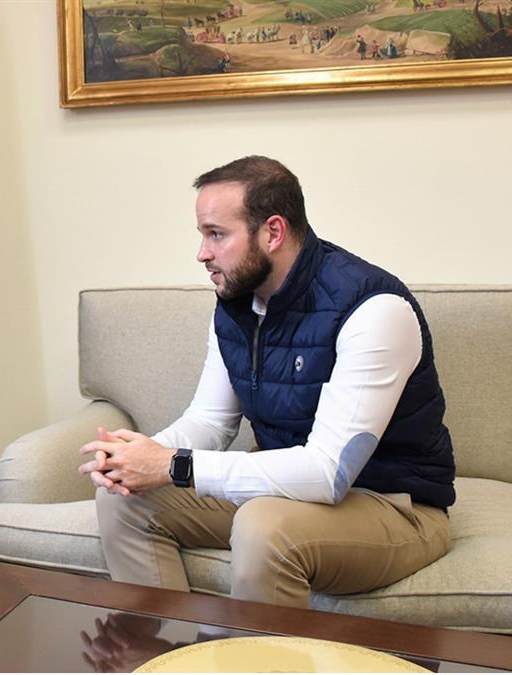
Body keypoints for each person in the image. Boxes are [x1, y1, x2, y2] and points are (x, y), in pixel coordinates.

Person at [79, 156, 454, 610]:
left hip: (392, 505)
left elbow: (327, 474)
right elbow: (210, 421)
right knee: (125, 502)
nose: (202, 253)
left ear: (272, 232)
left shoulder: (374, 309)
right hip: (285, 490)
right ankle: (167, 655)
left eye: (216, 234)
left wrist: (173, 465)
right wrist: (137, 457)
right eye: (202, 235)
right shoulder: (237, 301)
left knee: (263, 525)